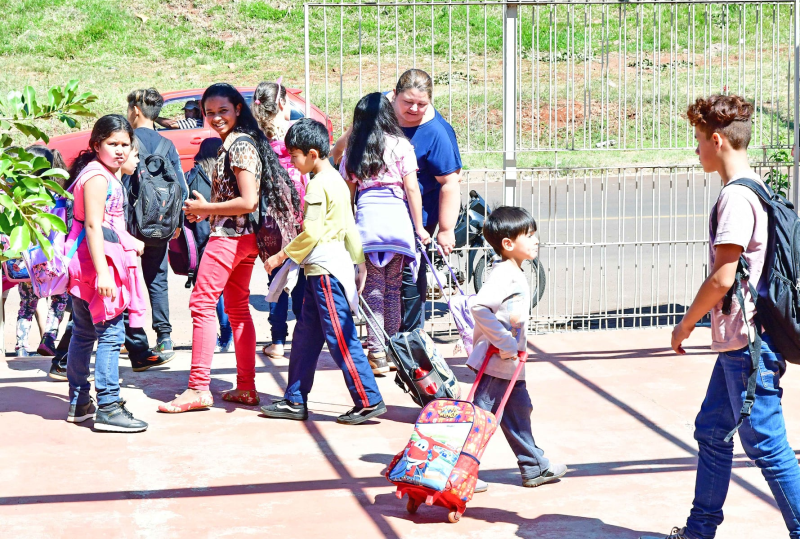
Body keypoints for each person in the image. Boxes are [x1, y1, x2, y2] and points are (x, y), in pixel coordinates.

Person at [648, 96, 800, 539]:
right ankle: (700, 530)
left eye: (698, 141)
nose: (696, 150)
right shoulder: (757, 187)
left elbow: (722, 278)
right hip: (744, 340)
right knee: (713, 431)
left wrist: (684, 324)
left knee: (766, 445)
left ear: (716, 140)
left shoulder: (735, 197)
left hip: (747, 344)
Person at [159, 83, 299, 413]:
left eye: (222, 111)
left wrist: (207, 210)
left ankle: (198, 388)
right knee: (236, 309)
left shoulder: (239, 146)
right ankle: (246, 386)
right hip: (245, 239)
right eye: (209, 113)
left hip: (231, 237)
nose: (215, 118)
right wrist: (209, 207)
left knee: (202, 304)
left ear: (238, 109)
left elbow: (248, 201)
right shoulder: (240, 142)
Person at [260, 118, 386, 425]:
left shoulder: (317, 185)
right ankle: (294, 399)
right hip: (329, 269)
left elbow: (312, 233)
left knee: (341, 337)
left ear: (312, 154)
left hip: (325, 272)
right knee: (305, 336)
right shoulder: (338, 181)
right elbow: (349, 226)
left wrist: (279, 257)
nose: (292, 161)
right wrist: (358, 263)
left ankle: (368, 399)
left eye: (294, 155)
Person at [332, 69, 462, 333]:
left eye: (422, 104)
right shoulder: (377, 108)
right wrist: (336, 154)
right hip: (372, 219)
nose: (414, 108)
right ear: (393, 95)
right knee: (377, 285)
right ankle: (384, 342)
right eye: (408, 102)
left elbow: (449, 182)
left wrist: (446, 230)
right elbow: (346, 144)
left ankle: (409, 337)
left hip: (416, 219)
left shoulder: (437, 132)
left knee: (409, 279)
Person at [466, 206, 567, 493]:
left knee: (519, 411)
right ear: (508, 244)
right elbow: (479, 306)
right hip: (496, 362)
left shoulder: (515, 270)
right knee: (480, 419)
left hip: (510, 363)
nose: (536, 240)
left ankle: (534, 466)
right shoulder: (504, 274)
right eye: (529, 235)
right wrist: (505, 342)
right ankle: (459, 470)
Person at [63, 114, 148, 432]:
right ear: (96, 144)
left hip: (88, 266)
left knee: (83, 335)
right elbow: (93, 225)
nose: (120, 150)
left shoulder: (99, 173)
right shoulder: (98, 177)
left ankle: (79, 401)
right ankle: (109, 406)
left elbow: (106, 224)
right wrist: (104, 273)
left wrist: (129, 240)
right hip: (98, 268)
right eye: (113, 144)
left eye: (125, 144)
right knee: (110, 336)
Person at [339, 92, 429, 375]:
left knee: (373, 290)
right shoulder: (401, 145)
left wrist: (348, 229)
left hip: (367, 225)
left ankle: (376, 352)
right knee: (393, 291)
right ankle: (391, 351)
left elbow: (347, 195)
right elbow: (412, 189)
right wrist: (419, 227)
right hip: (397, 226)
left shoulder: (353, 149)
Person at [124, 88, 188, 369]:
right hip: (160, 225)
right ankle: (164, 337)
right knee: (157, 279)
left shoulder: (126, 141)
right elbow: (181, 189)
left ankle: (129, 338)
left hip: (129, 225)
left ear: (136, 110)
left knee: (125, 279)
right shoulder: (168, 145)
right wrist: (176, 225)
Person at [252, 78, 308, 359]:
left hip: (270, 220)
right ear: (283, 104)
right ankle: (302, 337)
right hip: (300, 216)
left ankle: (276, 342)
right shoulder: (297, 134)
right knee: (301, 279)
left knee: (275, 278)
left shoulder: (255, 139)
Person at [12, 146, 70, 359]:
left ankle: (21, 346)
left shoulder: (18, 196)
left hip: (26, 259)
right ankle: (49, 337)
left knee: (27, 304)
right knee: (59, 298)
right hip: (51, 259)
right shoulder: (57, 195)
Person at [185, 138, 234, 353]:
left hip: (199, 243)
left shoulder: (192, 177)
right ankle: (226, 333)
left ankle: (212, 336)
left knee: (205, 294)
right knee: (221, 290)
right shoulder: (223, 177)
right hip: (222, 237)